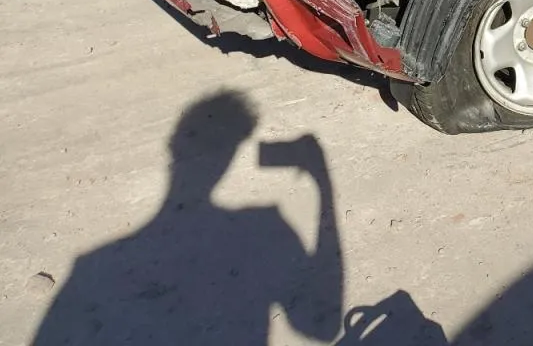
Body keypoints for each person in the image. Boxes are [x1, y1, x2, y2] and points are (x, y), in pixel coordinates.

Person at [31, 91, 344, 345]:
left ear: (172, 150)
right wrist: (322, 183)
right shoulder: (264, 226)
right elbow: (323, 330)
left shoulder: (91, 270)